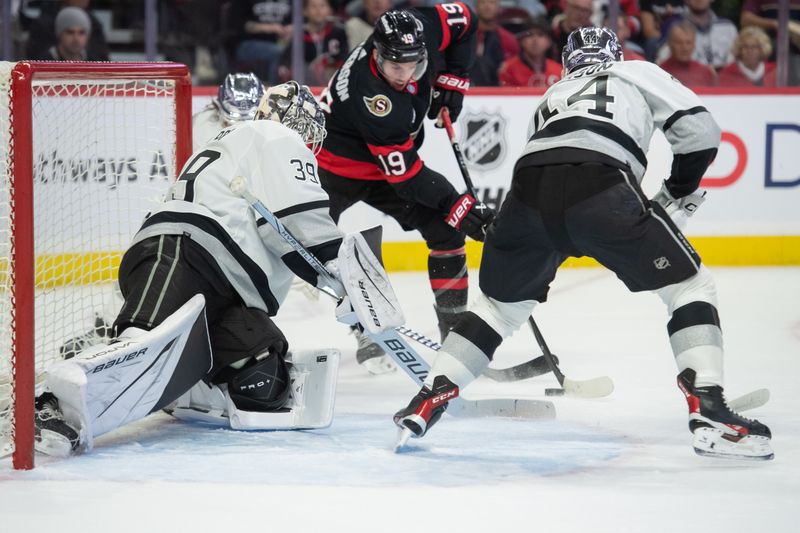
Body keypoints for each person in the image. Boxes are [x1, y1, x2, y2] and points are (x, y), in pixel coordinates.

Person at [394, 27, 774, 461]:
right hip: (601, 186)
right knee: (690, 288)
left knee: (497, 310)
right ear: (614, 53)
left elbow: (547, 161)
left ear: (569, 61)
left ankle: (428, 399)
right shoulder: (634, 71)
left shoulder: (553, 94)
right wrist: (677, 191)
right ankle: (708, 404)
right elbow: (701, 132)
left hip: (526, 195)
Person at [32, 82, 373, 455]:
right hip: (186, 251)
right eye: (309, 129)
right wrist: (346, 273)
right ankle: (46, 403)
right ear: (298, 122)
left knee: (262, 377)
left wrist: (335, 278)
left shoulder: (246, 140)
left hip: (226, 281)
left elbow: (278, 232)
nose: (310, 140)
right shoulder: (277, 137)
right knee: (142, 349)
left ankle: (183, 382)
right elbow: (298, 221)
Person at [316, 5, 496, 374]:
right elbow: (408, 178)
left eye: (414, 66)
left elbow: (467, 18)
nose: (404, 75)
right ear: (376, 54)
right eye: (395, 66)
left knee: (445, 233)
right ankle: (366, 329)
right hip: (334, 167)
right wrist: (459, 206)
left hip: (389, 163)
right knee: (324, 250)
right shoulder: (374, 100)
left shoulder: (421, 29)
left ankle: (454, 337)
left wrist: (453, 81)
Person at [278, 0, 349, 86]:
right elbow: (285, 62)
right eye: (313, 6)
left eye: (322, 6)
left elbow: (345, 59)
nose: (318, 10)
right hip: (306, 87)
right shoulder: (300, 36)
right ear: (305, 11)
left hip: (333, 85)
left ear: (329, 10)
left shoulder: (338, 32)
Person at [192, 72, 266, 152]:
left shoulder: (272, 127)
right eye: (234, 123)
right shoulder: (202, 125)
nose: (241, 128)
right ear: (219, 107)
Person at [656, 0, 738, 70]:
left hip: (726, 83)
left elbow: (739, 60)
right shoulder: (672, 25)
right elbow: (662, 61)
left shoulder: (728, 26)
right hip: (686, 82)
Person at [230, 0, 293, 84]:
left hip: (283, 43)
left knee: (294, 51)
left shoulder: (292, 2)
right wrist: (269, 28)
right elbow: (236, 23)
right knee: (278, 52)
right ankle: (273, 91)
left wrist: (292, 28)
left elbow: (303, 20)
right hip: (248, 44)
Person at [25, 0, 109, 61]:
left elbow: (103, 60)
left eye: (81, 33)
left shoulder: (94, 23)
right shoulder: (43, 24)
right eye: (70, 32)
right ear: (59, 35)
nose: (76, 39)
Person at [498, 17, 562, 87]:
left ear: (549, 42)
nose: (535, 40)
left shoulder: (558, 70)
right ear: (522, 41)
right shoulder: (508, 69)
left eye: (540, 35)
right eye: (529, 34)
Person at [658, 21, 717, 86]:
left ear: (694, 44)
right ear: (670, 44)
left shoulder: (705, 72)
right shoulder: (660, 72)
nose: (685, 48)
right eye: (679, 43)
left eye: (688, 43)